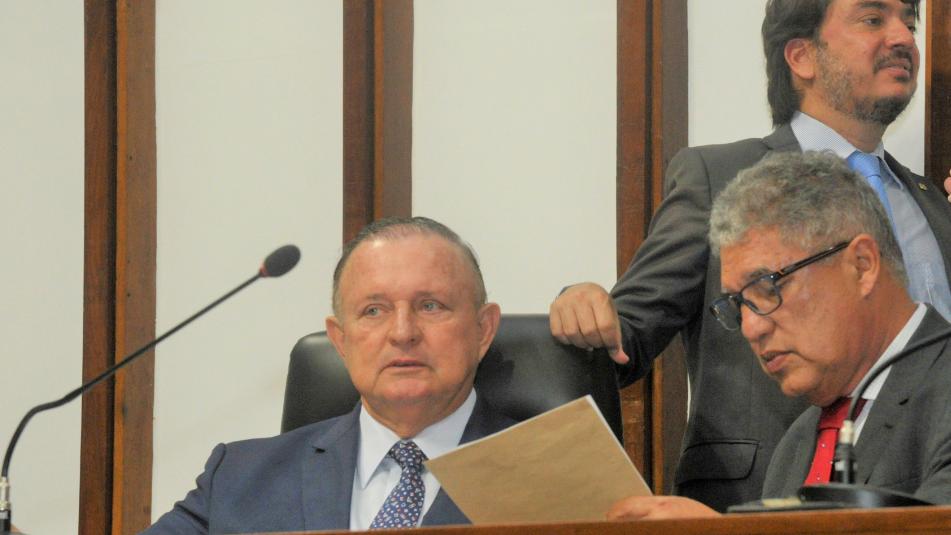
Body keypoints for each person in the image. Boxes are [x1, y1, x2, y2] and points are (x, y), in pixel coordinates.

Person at [550, 0, 951, 511]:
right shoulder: (721, 176)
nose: (903, 38)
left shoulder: (933, 203)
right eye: (874, 20)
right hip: (750, 499)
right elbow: (626, 336)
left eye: (909, 24)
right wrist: (583, 309)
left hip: (924, 490)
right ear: (802, 56)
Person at [607, 151, 951, 520]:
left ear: (861, 265)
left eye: (768, 286)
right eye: (738, 304)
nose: (751, 328)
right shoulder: (797, 444)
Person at [142, 217, 509, 533]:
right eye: (373, 310)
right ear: (340, 340)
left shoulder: (538, 471)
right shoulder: (238, 479)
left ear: (483, 330)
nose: (402, 332)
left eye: (430, 306)